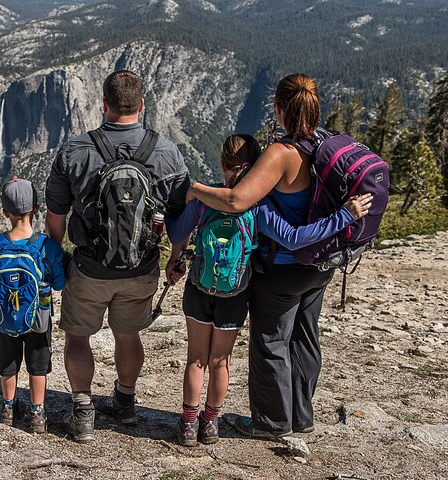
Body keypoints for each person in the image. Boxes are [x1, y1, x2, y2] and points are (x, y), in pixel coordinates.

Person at [186, 74, 373, 438]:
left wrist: (194, 188)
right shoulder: (325, 144)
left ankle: (270, 423)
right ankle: (300, 417)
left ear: (278, 109)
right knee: (304, 338)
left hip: (284, 268)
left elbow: (238, 200)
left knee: (271, 341)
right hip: (320, 266)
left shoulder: (280, 154)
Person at [45, 70, 190, 443]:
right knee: (128, 335)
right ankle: (124, 401)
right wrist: (176, 257)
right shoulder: (167, 152)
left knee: (78, 336)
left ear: (104, 105)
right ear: (142, 106)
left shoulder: (75, 150)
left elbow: (56, 214)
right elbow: (181, 215)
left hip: (89, 267)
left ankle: (82, 411)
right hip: (141, 267)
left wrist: (56, 256)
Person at [0, 178, 65, 434]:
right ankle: (37, 414)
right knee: (38, 366)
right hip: (38, 317)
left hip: (6, 317)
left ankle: (8, 408)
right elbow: (59, 282)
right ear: (37, 209)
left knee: (8, 364)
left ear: (5, 213)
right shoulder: (45, 245)